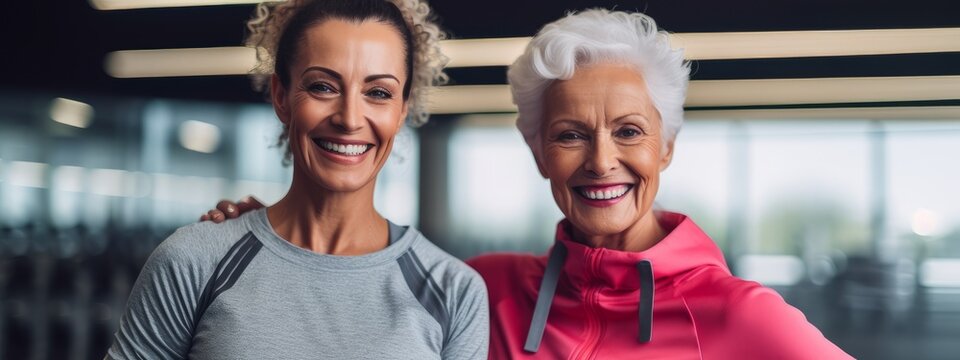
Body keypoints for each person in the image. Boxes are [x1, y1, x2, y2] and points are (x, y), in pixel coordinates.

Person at [203, 8, 852, 359]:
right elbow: (344, 303)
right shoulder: (483, 288)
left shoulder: (738, 315)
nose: (602, 161)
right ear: (539, 151)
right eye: (571, 134)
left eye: (628, 132)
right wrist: (275, 237)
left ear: (666, 146)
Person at [106, 0, 487, 359]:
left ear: (402, 111)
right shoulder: (195, 259)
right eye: (323, 86)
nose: (350, 118)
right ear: (281, 96)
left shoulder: (454, 290)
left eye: (378, 92)